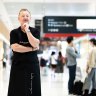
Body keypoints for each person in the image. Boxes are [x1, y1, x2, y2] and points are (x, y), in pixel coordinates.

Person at [7, 9, 41, 96]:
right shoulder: (14, 32)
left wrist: (27, 31)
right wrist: (32, 49)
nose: (25, 17)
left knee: (32, 90)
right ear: (18, 18)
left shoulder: (35, 31)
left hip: (32, 65)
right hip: (18, 65)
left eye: (27, 16)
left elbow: (35, 43)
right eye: (23, 16)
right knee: (17, 90)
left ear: (30, 18)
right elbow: (15, 48)